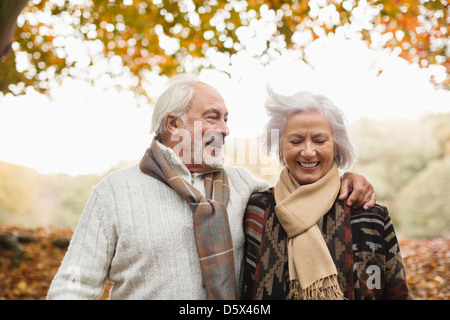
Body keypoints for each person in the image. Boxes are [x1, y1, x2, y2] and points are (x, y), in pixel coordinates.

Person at [47, 74, 375, 300]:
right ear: (174, 123)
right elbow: (74, 285)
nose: (226, 129)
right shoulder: (115, 193)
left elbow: (300, 194)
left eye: (227, 119)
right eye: (213, 117)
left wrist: (343, 177)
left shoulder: (245, 185)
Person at [242, 87, 412, 300]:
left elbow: (397, 294)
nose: (308, 152)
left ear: (336, 147)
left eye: (320, 141)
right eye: (295, 141)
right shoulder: (257, 209)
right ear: (280, 148)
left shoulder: (369, 213)